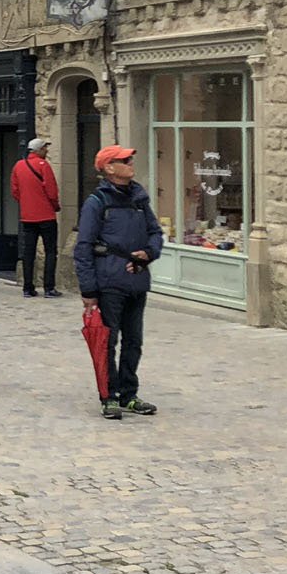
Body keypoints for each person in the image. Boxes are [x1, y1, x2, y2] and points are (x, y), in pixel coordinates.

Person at [75, 146, 165, 420]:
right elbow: (84, 247)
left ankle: (129, 393)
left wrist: (148, 254)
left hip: (136, 280)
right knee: (108, 341)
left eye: (130, 159)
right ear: (109, 168)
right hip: (109, 280)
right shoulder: (97, 203)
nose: (130, 163)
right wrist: (88, 290)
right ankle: (109, 395)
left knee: (134, 341)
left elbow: (155, 232)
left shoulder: (139, 199)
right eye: (124, 160)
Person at [12, 136, 63, 298]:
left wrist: (26, 202)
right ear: (38, 150)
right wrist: (55, 205)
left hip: (27, 216)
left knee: (28, 253)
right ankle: (49, 287)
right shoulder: (43, 166)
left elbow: (15, 191)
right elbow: (51, 190)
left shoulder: (19, 166)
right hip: (46, 214)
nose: (46, 151)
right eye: (44, 148)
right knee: (50, 252)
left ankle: (28, 287)